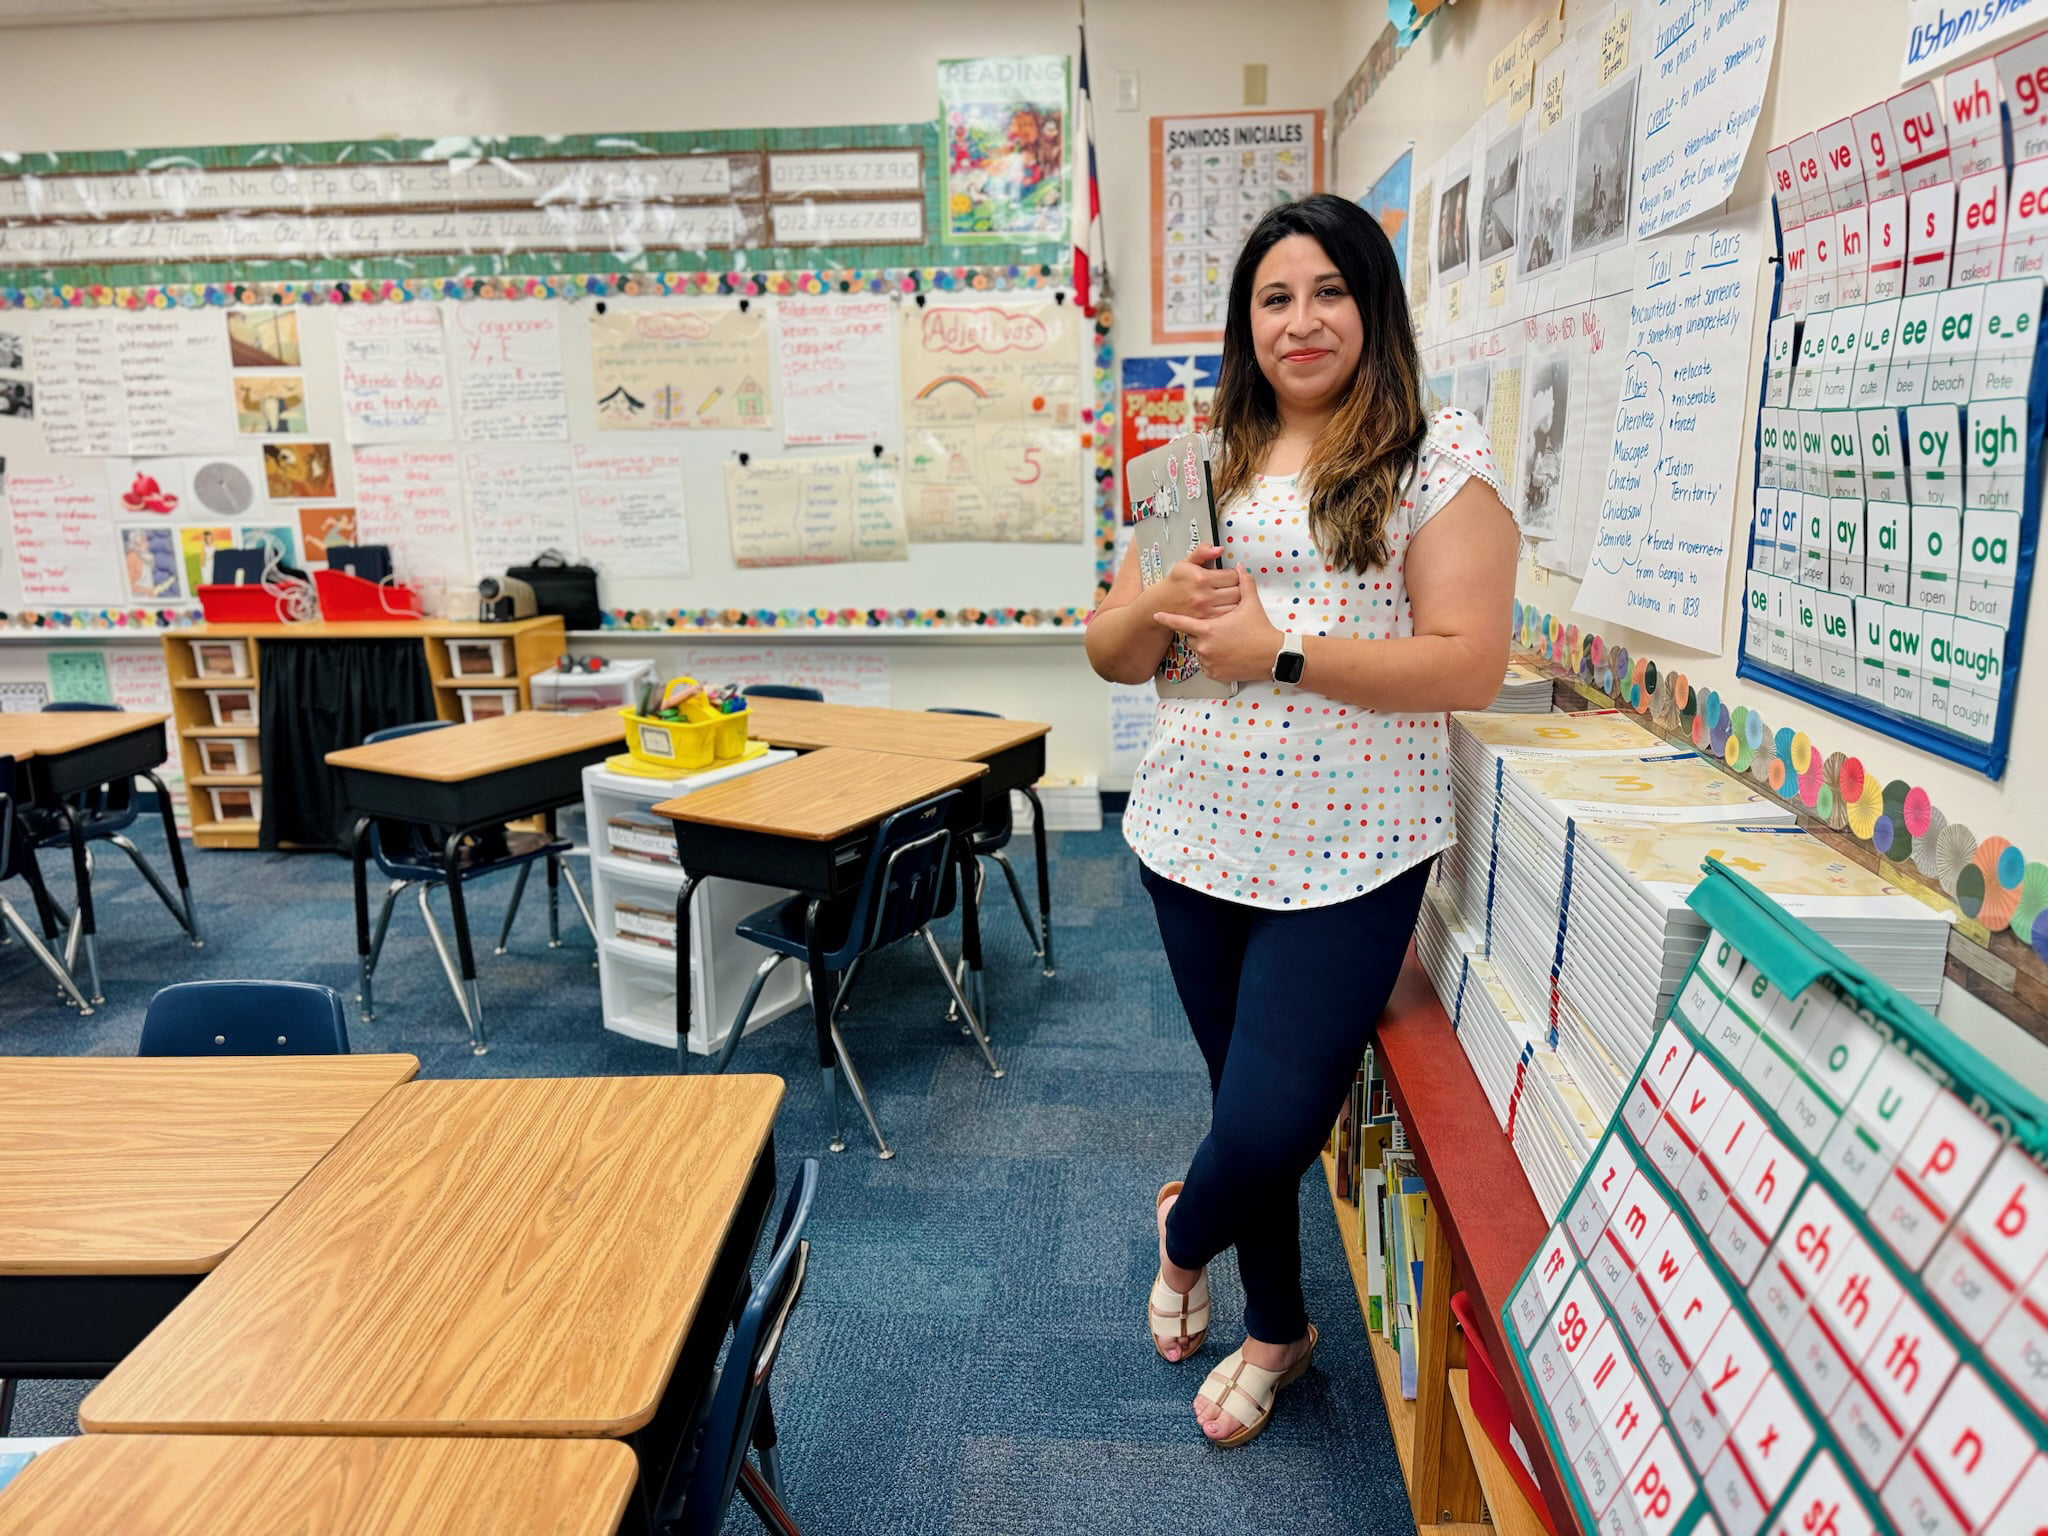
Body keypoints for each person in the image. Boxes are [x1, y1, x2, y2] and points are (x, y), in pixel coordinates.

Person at [1085, 193, 1517, 1448]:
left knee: (1274, 1118)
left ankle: (1182, 1233)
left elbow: (1467, 662)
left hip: (1354, 846)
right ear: (1246, 323)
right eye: (1274, 298)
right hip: (1191, 831)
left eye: (1328, 290)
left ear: (1370, 303)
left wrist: (1280, 654)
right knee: (1241, 1099)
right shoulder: (1195, 464)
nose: (1300, 319)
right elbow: (1113, 653)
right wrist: (1155, 600)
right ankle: (1277, 1328)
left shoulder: (1433, 456)